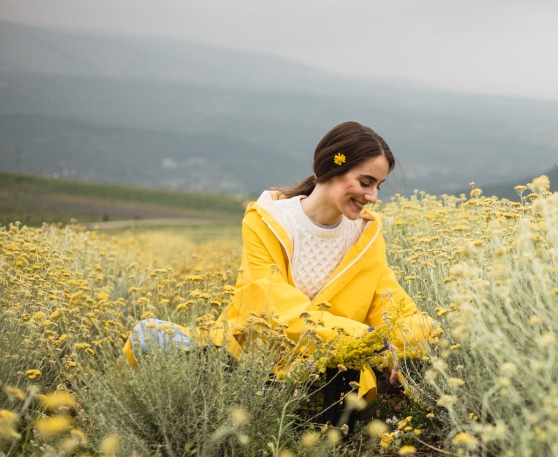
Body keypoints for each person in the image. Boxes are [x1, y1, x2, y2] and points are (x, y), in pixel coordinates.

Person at [126, 122, 439, 401]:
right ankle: (249, 394)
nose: (372, 197)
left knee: (345, 382)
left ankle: (243, 399)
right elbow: (273, 307)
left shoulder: (367, 234)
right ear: (333, 168)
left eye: (377, 187)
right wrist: (368, 340)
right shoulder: (267, 221)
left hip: (323, 368)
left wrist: (433, 334)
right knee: (147, 333)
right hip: (248, 359)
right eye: (366, 182)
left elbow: (391, 306)